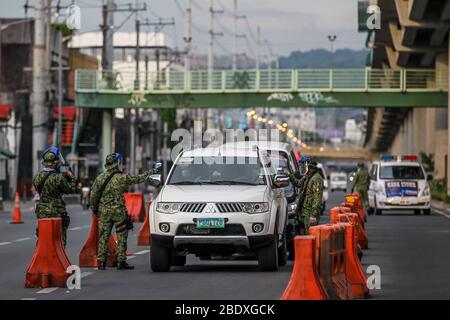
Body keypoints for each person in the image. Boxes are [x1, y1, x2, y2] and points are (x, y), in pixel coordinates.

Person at [90, 153, 161, 270]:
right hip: (119, 212)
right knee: (122, 236)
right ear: (117, 163)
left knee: (104, 236)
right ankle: (121, 261)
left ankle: (101, 262)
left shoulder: (99, 178)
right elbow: (139, 178)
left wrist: (95, 210)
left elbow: (93, 196)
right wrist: (152, 172)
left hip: (104, 212)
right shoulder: (122, 177)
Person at [32, 146, 77, 247]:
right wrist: (71, 177)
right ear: (55, 162)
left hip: (42, 211)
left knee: (42, 238)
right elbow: (70, 189)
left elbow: (39, 190)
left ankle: (41, 259)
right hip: (57, 211)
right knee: (59, 240)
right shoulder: (58, 177)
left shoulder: (37, 177)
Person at [289, 159, 324, 235]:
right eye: (308, 167)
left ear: (313, 168)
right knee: (306, 232)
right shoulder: (308, 176)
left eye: (310, 168)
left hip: (310, 211)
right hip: (305, 210)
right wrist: (289, 176)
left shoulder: (316, 178)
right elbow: (298, 183)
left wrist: (314, 214)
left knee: (311, 232)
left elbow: (317, 197)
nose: (308, 169)